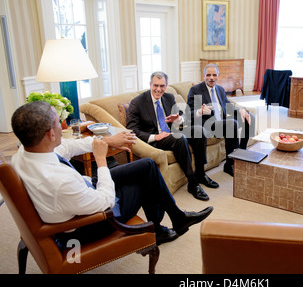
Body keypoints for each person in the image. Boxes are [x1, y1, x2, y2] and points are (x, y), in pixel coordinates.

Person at [11, 101, 213, 246]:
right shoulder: (59, 181)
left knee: (147, 166)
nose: (61, 126)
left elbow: (69, 146)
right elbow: (105, 201)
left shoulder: (25, 153)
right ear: (51, 134)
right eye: (58, 123)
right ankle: (158, 230)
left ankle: (177, 218)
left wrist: (107, 142)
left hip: (81, 191)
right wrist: (101, 160)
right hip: (91, 223)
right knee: (145, 182)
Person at [127, 71, 218, 202]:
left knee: (199, 130)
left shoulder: (169, 98)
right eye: (155, 85)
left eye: (162, 86)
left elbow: (184, 117)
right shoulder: (137, 102)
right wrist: (154, 137)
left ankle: (201, 174)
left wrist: (179, 118)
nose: (158, 89)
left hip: (172, 132)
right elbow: (132, 130)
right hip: (156, 138)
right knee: (179, 138)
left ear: (166, 85)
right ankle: (192, 183)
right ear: (150, 84)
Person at [187, 63, 255, 176]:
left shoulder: (220, 89)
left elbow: (227, 105)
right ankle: (229, 164)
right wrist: (200, 111)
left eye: (214, 75)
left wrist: (240, 110)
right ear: (204, 76)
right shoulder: (196, 90)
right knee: (231, 124)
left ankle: (241, 154)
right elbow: (189, 113)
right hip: (207, 123)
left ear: (218, 75)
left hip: (222, 120)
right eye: (208, 75)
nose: (211, 78)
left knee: (248, 116)